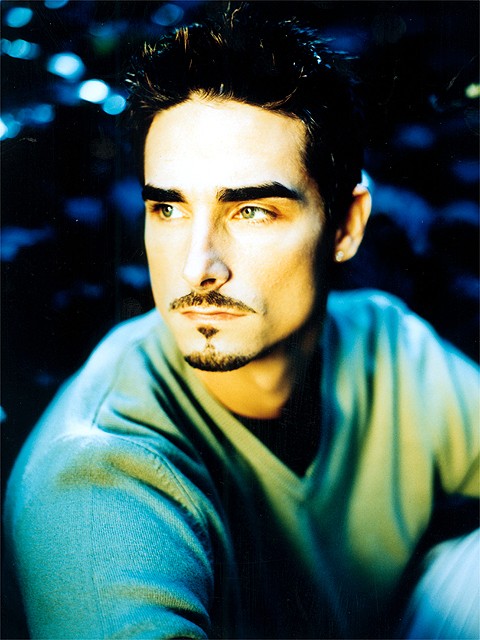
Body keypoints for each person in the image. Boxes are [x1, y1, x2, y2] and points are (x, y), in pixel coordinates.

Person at [4, 4, 479, 639]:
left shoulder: (387, 345)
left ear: (346, 225)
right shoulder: (98, 478)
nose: (197, 267)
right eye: (168, 210)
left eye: (251, 211)